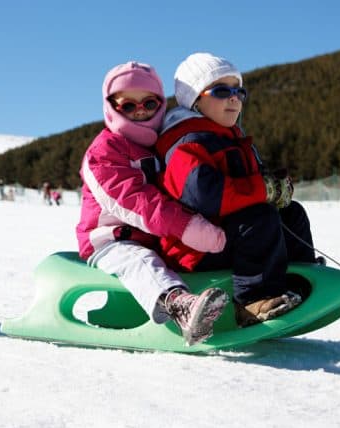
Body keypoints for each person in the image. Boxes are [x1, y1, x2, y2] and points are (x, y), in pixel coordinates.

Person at [154, 52, 317, 327]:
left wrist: (275, 188)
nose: (234, 98)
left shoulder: (230, 139)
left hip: (227, 233)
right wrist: (262, 190)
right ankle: (253, 301)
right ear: (195, 99)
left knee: (292, 214)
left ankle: (302, 278)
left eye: (239, 91)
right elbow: (206, 195)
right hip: (195, 247)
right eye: (221, 91)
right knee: (258, 218)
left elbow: (250, 186)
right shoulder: (186, 143)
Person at [76, 61, 229, 345]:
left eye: (149, 103)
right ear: (111, 106)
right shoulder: (104, 150)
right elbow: (133, 202)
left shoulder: (160, 143)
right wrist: (187, 227)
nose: (140, 112)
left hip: (156, 235)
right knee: (140, 261)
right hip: (112, 240)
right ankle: (178, 306)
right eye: (128, 106)